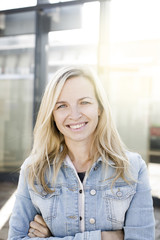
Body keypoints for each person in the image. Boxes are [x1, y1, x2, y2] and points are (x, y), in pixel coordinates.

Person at [8, 66, 155, 240]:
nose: (75, 115)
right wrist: (105, 237)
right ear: (52, 115)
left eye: (84, 102)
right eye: (62, 106)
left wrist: (51, 237)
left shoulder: (133, 167)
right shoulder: (33, 170)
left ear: (99, 108)